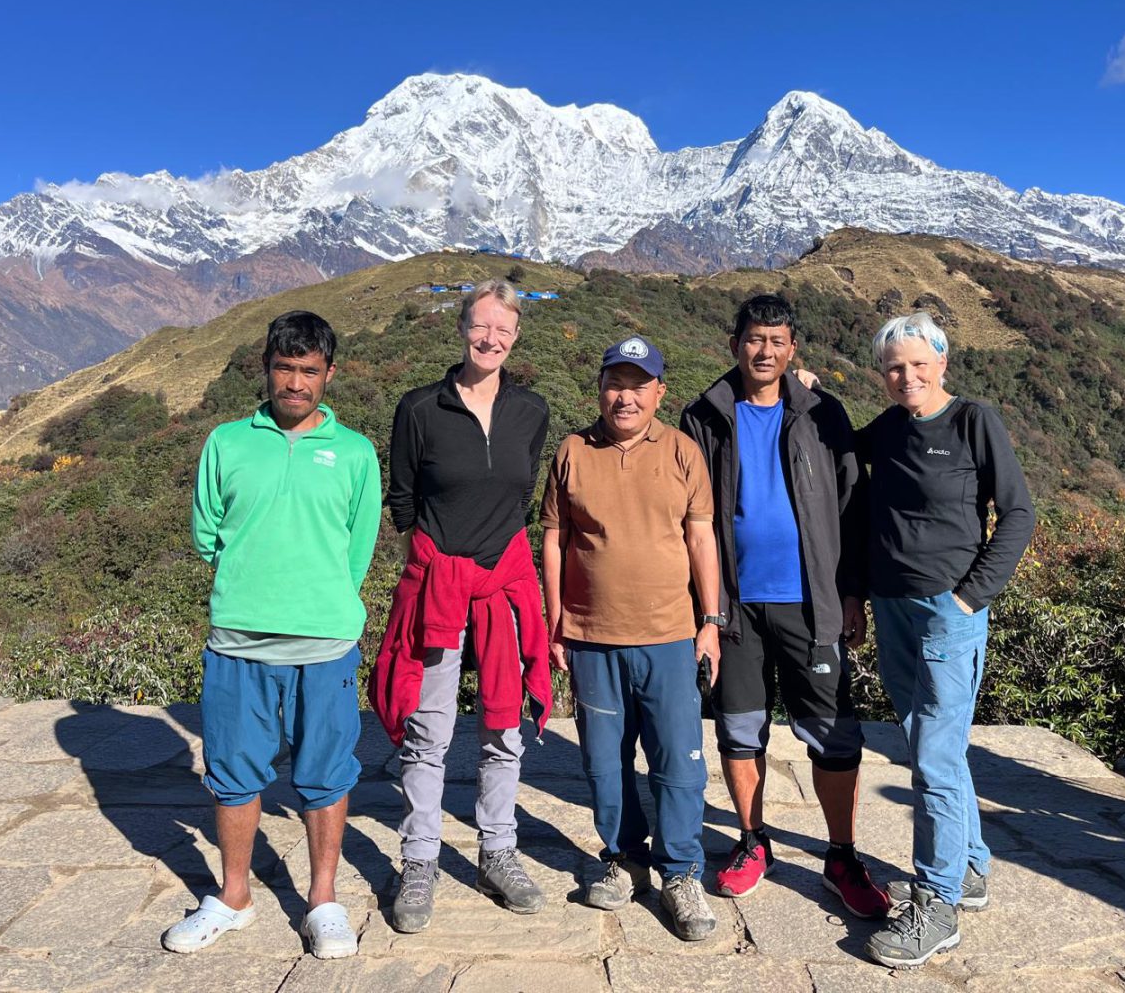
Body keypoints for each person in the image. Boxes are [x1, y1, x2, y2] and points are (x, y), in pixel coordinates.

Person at [167, 310, 381, 959]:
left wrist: (317, 600)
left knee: (327, 775)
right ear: (266, 369)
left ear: (329, 374)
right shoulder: (227, 443)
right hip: (238, 642)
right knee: (233, 773)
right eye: (284, 368)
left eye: (308, 370)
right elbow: (207, 534)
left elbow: (358, 547)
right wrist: (255, 584)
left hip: (325, 645)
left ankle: (323, 901)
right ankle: (233, 897)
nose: (295, 382)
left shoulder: (355, 453)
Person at [679, 294, 890, 918]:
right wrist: (704, 612)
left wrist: (852, 592)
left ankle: (842, 855)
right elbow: (686, 514)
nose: (764, 351)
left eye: (776, 341)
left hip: (811, 602)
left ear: (793, 349)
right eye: (754, 339)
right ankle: (753, 842)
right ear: (735, 344)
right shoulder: (704, 415)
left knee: (834, 733)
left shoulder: (823, 412)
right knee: (740, 728)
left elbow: (853, 505)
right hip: (734, 605)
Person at [369, 280, 553, 934]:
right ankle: (419, 859)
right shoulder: (420, 408)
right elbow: (403, 499)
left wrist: (486, 551)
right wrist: (434, 562)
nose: (490, 339)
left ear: (516, 337)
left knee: (504, 727)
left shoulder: (532, 411)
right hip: (439, 584)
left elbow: (521, 496)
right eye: (481, 326)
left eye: (503, 329)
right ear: (461, 328)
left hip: (503, 583)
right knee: (430, 730)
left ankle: (497, 850)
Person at [855, 312, 1035, 969]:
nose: (906, 376)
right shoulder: (889, 428)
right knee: (930, 744)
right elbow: (836, 445)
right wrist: (803, 391)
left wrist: (969, 597)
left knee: (932, 756)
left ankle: (937, 903)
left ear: (942, 363)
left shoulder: (973, 421)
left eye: (917, 364)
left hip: (947, 612)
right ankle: (971, 866)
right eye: (893, 368)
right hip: (893, 607)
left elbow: (1018, 514)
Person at [541, 335, 723, 942]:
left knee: (678, 762)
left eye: (638, 386)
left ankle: (682, 872)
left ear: (659, 393)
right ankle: (624, 859)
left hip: (669, 634)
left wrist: (711, 621)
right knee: (603, 763)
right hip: (592, 636)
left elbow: (701, 539)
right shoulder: (572, 451)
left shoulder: (682, 452)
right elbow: (554, 540)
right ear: (599, 389)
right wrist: (556, 623)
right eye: (615, 384)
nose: (625, 397)